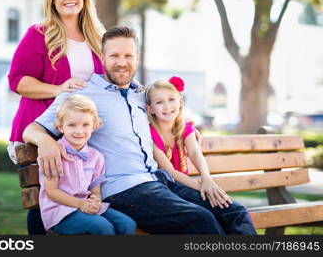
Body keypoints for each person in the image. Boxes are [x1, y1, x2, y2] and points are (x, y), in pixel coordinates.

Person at [24, 26, 257, 234]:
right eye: (114, 55)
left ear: (137, 58)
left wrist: (187, 129)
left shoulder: (141, 95)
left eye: (128, 56)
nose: (121, 62)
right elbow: (31, 130)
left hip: (160, 179)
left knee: (232, 211)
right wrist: (45, 142)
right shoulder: (81, 94)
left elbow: (168, 113)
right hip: (122, 189)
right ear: (102, 57)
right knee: (198, 220)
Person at [7, 0, 106, 234]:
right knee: (43, 199)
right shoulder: (40, 33)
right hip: (38, 130)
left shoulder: (98, 37)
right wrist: (59, 88)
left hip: (78, 133)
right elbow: (17, 81)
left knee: (77, 197)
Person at [39, 94, 136, 235]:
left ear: (94, 126)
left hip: (85, 205)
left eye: (85, 125)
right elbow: (52, 191)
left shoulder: (96, 157)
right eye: (72, 125)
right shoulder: (54, 154)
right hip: (60, 211)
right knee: (102, 227)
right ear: (60, 127)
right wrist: (81, 204)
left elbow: (95, 190)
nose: (79, 131)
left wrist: (95, 200)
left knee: (127, 224)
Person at [145, 77, 232, 208]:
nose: (167, 106)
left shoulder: (185, 129)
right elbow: (170, 172)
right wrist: (205, 187)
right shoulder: (150, 135)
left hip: (187, 186)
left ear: (180, 101)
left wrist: (207, 178)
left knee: (232, 210)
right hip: (167, 190)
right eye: (159, 102)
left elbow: (195, 153)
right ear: (150, 108)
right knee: (218, 208)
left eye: (171, 99)